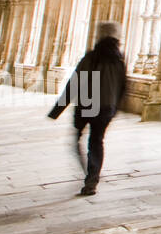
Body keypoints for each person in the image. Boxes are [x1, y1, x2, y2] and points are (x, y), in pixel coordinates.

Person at [47, 22, 127, 195]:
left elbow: (74, 84)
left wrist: (57, 110)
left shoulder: (92, 57)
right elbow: (123, 88)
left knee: (78, 139)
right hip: (106, 108)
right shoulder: (119, 60)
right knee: (96, 141)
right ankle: (92, 177)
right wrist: (116, 109)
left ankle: (90, 173)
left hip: (88, 105)